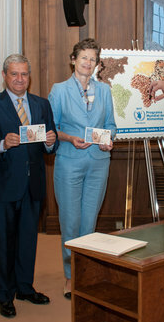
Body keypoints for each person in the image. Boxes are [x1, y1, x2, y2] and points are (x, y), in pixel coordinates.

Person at [0, 54, 58, 318]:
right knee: (2, 243)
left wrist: (49, 141)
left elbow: (52, 144)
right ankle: (4, 295)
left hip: (33, 185)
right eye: (14, 74)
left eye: (24, 74)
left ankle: (24, 287)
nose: (20, 79)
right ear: (4, 75)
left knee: (28, 241)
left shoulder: (41, 104)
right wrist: (2, 143)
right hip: (3, 186)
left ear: (29, 76)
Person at [48, 38, 117, 299]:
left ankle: (85, 271)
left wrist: (108, 139)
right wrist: (69, 138)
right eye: (83, 57)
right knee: (71, 221)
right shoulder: (59, 90)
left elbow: (111, 125)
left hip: (99, 163)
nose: (88, 63)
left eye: (93, 59)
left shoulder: (105, 91)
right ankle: (69, 275)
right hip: (69, 162)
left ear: (97, 64)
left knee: (89, 222)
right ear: (73, 60)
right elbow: (51, 128)